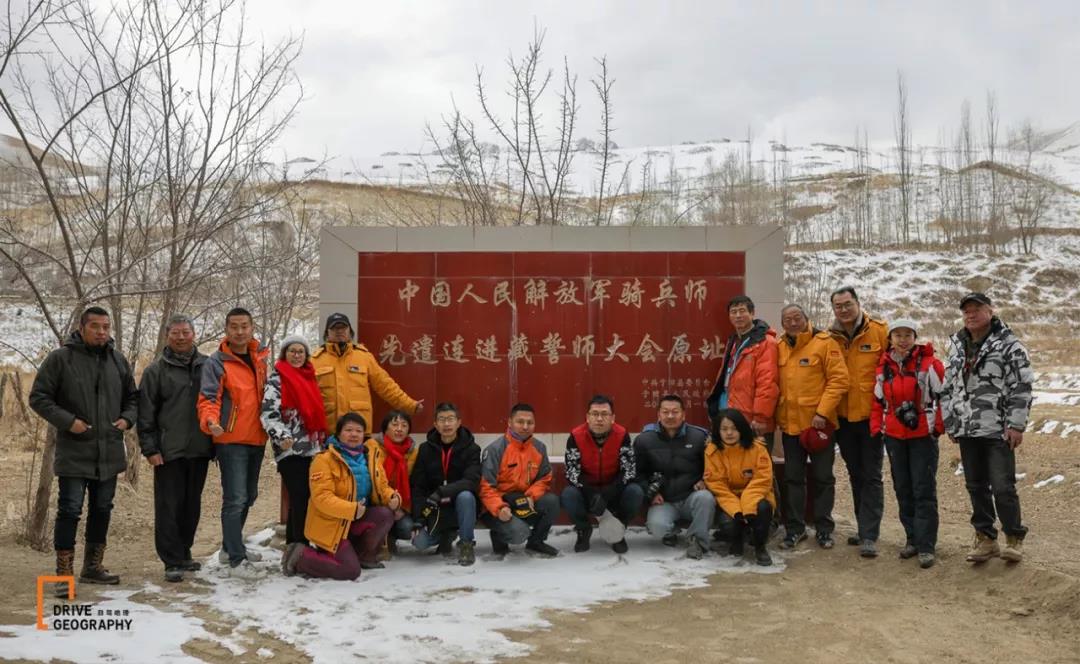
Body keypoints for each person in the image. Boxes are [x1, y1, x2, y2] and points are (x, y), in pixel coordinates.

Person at [30, 306, 138, 597]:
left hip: (109, 451)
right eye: (96, 327)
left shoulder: (118, 360)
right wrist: (69, 422)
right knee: (70, 510)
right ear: (82, 327)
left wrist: (127, 419)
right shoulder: (61, 359)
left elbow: (133, 398)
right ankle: (63, 575)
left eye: (106, 327)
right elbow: (38, 397)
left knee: (102, 509)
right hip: (74, 451)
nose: (102, 332)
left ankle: (93, 567)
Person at [940, 292, 1034, 564]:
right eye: (966, 310)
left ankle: (1014, 538)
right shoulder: (957, 345)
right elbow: (949, 386)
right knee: (975, 485)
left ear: (990, 311)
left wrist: (1016, 424)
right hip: (967, 428)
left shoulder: (1009, 344)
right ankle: (985, 539)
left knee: (1003, 486)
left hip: (997, 429)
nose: (970, 314)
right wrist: (951, 421)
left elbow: (1022, 385)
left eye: (976, 309)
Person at [137, 315, 213, 583]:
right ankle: (171, 560)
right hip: (168, 450)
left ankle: (184, 552)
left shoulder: (208, 366)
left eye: (186, 332)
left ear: (194, 334)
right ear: (167, 336)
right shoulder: (155, 371)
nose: (181, 338)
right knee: (169, 506)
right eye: (175, 333)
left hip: (200, 448)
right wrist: (150, 448)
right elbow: (145, 413)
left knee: (192, 505)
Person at [197, 307, 270, 578]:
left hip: (257, 438)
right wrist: (210, 422)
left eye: (244, 326)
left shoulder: (259, 358)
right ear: (227, 330)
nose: (240, 331)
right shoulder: (217, 361)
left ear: (252, 328)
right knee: (235, 498)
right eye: (234, 327)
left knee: (249, 496)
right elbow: (208, 398)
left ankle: (231, 547)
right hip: (230, 439)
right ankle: (237, 561)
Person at [281, 413, 397, 580]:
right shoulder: (324, 460)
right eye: (348, 430)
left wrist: (392, 497)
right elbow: (322, 498)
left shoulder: (370, 457)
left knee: (385, 514)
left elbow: (382, 486)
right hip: (331, 525)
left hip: (354, 520)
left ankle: (363, 556)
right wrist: (352, 509)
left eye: (358, 430)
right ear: (338, 434)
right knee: (350, 571)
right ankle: (300, 556)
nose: (354, 434)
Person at [871, 319, 944, 569]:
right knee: (903, 488)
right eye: (898, 335)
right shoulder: (883, 367)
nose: (903, 340)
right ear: (890, 338)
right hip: (894, 435)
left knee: (923, 489)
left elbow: (944, 395)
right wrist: (875, 427)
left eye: (908, 335)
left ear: (915, 337)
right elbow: (877, 402)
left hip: (922, 435)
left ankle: (926, 545)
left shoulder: (929, 364)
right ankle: (911, 538)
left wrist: (939, 426)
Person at [775, 303, 850, 550]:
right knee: (793, 479)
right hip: (790, 427)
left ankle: (824, 529)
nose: (793, 323)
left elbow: (839, 380)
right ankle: (795, 529)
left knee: (823, 478)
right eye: (787, 320)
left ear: (806, 319)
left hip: (819, 426)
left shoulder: (825, 343)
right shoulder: (780, 347)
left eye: (797, 318)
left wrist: (823, 412)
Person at [828, 286, 890, 557]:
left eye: (847, 304)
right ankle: (863, 526)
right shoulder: (830, 338)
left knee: (872, 474)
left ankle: (869, 534)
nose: (843, 310)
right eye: (838, 306)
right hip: (843, 418)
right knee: (856, 474)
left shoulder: (879, 331)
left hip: (871, 417)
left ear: (858, 303)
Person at [260, 334, 327, 550]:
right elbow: (268, 414)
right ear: (284, 354)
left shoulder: (310, 377)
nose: (296, 355)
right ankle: (300, 545)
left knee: (305, 497)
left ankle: (294, 546)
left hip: (312, 447)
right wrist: (282, 437)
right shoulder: (277, 379)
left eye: (301, 352)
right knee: (300, 496)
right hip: (289, 448)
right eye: (292, 351)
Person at [310, 312, 422, 434]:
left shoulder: (364, 357)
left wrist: (410, 405)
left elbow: (386, 386)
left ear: (350, 331)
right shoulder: (315, 360)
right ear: (327, 333)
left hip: (359, 431)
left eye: (343, 327)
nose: (339, 331)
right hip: (329, 432)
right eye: (335, 328)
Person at [634, 395, 714, 559]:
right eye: (665, 412)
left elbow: (714, 467)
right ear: (658, 415)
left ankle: (697, 541)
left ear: (683, 414)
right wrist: (651, 492)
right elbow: (637, 473)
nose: (670, 416)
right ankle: (671, 532)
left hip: (691, 494)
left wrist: (705, 481)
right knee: (657, 527)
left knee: (706, 498)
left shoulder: (699, 437)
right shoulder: (644, 440)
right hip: (665, 499)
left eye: (675, 412)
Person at [561, 395, 643, 554]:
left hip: (614, 490)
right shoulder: (575, 436)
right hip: (586, 490)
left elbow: (628, 471)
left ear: (613, 418)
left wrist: (606, 495)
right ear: (587, 417)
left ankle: (618, 530)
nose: (599, 419)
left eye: (604, 414)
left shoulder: (622, 435)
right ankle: (583, 529)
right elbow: (572, 473)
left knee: (635, 491)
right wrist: (591, 494)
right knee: (568, 494)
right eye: (594, 414)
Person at [479, 403, 560, 558]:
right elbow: (486, 487)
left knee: (552, 502)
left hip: (524, 502)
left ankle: (536, 542)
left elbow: (545, 478)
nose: (525, 426)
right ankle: (499, 537)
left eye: (530, 423)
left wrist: (530, 496)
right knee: (519, 534)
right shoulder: (495, 449)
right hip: (498, 507)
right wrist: (500, 508)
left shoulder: (539, 448)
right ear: (509, 422)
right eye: (520, 422)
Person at [410, 403, 482, 566]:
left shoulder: (472, 448)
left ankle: (466, 544)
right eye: (442, 420)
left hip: (460, 505)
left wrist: (442, 492)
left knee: (466, 495)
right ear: (435, 424)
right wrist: (419, 518)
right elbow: (418, 486)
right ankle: (445, 535)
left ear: (459, 422)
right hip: (434, 508)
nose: (446, 424)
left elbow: (471, 481)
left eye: (450, 419)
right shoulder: (425, 449)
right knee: (419, 543)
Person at [704, 408, 776, 566]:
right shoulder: (712, 452)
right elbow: (717, 486)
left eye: (734, 428)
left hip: (755, 496)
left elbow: (762, 480)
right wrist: (737, 511)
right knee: (729, 522)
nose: (729, 433)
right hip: (729, 499)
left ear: (742, 429)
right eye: (724, 429)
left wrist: (747, 507)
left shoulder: (757, 449)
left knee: (762, 509)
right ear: (718, 431)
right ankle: (737, 538)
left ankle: (760, 547)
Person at [706, 295, 780, 437]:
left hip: (751, 419)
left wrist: (761, 417)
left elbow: (767, 382)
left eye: (742, 311)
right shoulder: (734, 340)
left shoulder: (766, 342)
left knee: (754, 458)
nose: (738, 316)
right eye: (734, 312)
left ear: (752, 313)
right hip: (729, 412)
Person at [373, 409, 419, 554]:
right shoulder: (374, 448)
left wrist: (402, 508)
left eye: (404, 425)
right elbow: (376, 481)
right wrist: (390, 502)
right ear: (385, 428)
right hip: (377, 502)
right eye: (395, 425)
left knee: (407, 529)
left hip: (402, 507)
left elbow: (415, 484)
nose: (399, 429)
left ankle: (390, 536)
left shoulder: (413, 452)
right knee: (384, 515)